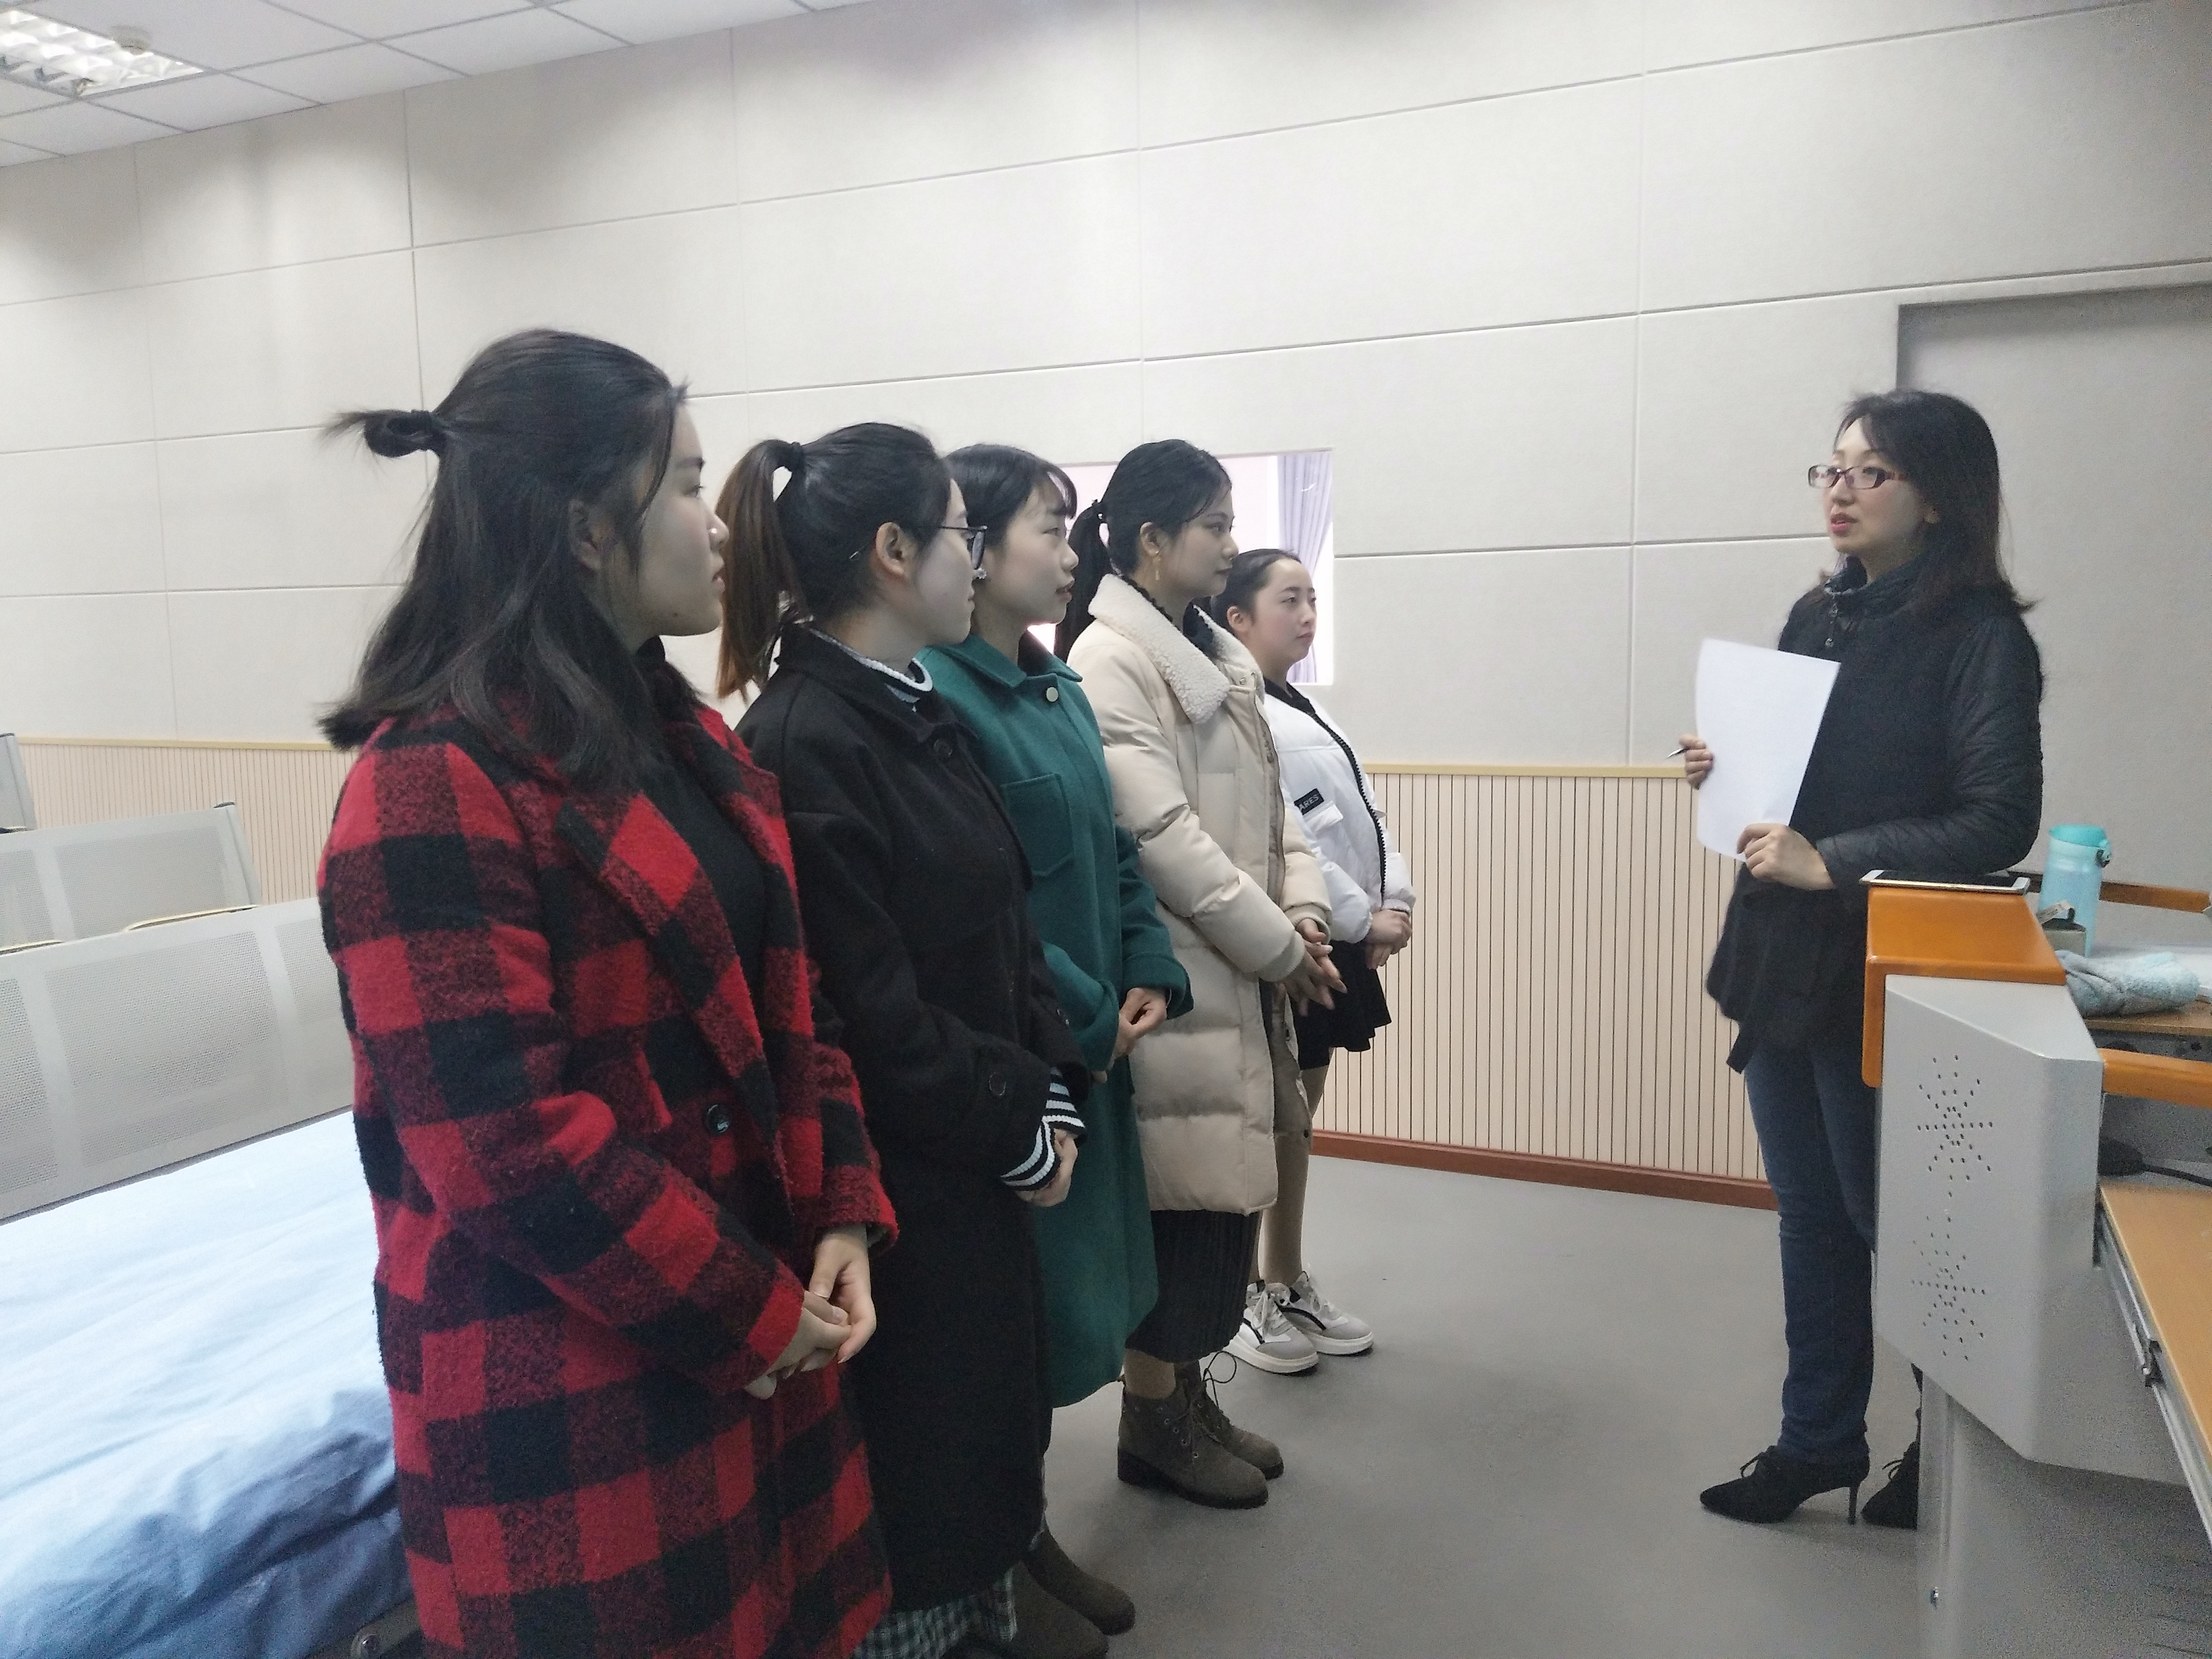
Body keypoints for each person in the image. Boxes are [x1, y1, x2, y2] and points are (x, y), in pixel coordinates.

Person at [315, 330, 895, 1659]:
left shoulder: (691, 743)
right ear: (587, 528)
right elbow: (505, 1148)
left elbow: (794, 1010)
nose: (719, 522)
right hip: (582, 1394)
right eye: (685, 484)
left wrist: (842, 1212)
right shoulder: (431, 781)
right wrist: (752, 1310)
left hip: (759, 1327)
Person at [719, 423, 1092, 1659]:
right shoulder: (803, 740)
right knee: (923, 1501)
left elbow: (1007, 920)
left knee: (985, 1462)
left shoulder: (914, 703)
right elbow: (868, 1017)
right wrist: (1014, 1119)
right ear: (893, 551)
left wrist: (1050, 1090)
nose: (975, 563)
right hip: (905, 1194)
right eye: (962, 536)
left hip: (978, 1158)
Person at [1684, 389, 2043, 1531]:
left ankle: (1947, 1456)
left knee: (1903, 1225)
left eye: (1870, 473)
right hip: (1784, 959)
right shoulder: (1819, 612)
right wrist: (1730, 771)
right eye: (1830, 470)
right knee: (1811, 1217)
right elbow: (1802, 775)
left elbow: (1998, 820)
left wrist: (1831, 860)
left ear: (1938, 498)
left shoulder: (1982, 636)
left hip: (1883, 970)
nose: (1839, 492)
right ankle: (1818, 1442)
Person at [920, 445, 1194, 1659]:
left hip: (1098, 1048)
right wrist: (1087, 1014)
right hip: (1026, 1060)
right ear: (972, 550)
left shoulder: (1056, 688)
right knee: (1013, 1327)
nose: (1072, 550)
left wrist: (1149, 965)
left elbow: (1118, 852)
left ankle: (1024, 1532)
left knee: (1073, 1307)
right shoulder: (938, 699)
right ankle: (1007, 1544)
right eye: (1049, 525)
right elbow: (989, 913)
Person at [1061, 439, 1342, 1510]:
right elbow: (1163, 837)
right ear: (1150, 540)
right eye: (1216, 525)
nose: (1232, 543)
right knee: (1177, 1214)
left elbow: (1276, 817)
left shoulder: (1209, 650)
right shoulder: (1111, 660)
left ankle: (1187, 1398)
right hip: (1183, 979)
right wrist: (1282, 947)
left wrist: (1304, 911)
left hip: (1242, 966)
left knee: (1217, 1214)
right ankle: (1153, 1422)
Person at [1210, 549, 1412, 1371]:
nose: (1307, 615)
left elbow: (1364, 814)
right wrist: (1364, 918)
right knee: (1271, 1121)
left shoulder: (1303, 705)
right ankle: (1243, 1298)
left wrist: (1396, 902)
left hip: (1341, 935)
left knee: (1301, 1119)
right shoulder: (1238, 709)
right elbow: (1289, 837)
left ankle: (1284, 1277)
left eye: (1312, 599)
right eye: (1288, 600)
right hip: (1297, 936)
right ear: (1237, 619)